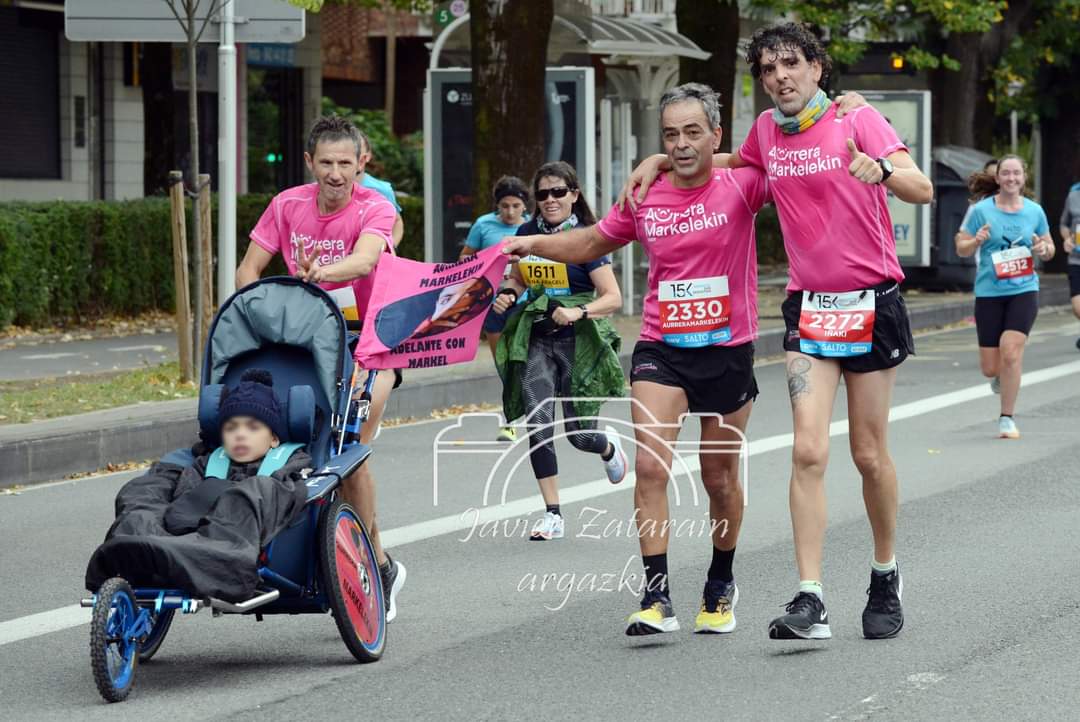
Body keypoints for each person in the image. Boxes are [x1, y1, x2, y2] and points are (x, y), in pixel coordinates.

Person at [622, 22, 933, 641]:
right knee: (808, 450)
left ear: (817, 68)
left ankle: (884, 572)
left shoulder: (856, 119)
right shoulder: (767, 132)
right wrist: (659, 157)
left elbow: (920, 188)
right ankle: (810, 598)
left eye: (790, 63)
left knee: (868, 454)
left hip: (872, 301)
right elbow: (718, 158)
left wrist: (881, 173)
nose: (779, 77)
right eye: (767, 69)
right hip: (809, 309)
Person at [504, 84, 769, 636]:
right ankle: (656, 597)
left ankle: (720, 582)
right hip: (661, 347)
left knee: (719, 477)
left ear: (716, 135)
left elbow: (785, 154)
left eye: (693, 132)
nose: (680, 144)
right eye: (669, 135)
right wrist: (531, 247)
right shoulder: (646, 194)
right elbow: (591, 242)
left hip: (726, 350)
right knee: (649, 467)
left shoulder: (743, 184)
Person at [236, 114, 407, 622]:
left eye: (345, 164)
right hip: (302, 338)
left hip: (367, 342)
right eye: (326, 163)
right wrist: (253, 311)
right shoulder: (286, 205)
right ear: (310, 162)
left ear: (362, 164)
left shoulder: (375, 207)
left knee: (350, 444)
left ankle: (376, 564)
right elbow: (250, 267)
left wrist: (320, 274)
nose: (336, 174)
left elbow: (365, 260)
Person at [85, 369, 313, 602]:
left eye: (252, 428)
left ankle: (188, 557)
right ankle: (135, 546)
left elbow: (288, 492)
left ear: (274, 439)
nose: (240, 435)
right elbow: (185, 499)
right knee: (143, 491)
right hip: (187, 526)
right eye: (231, 428)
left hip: (235, 533)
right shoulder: (207, 462)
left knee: (254, 490)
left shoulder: (288, 463)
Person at [491, 161, 627, 542]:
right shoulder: (527, 233)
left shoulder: (587, 238)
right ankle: (553, 513)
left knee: (578, 435)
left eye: (559, 192)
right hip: (538, 337)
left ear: (574, 195)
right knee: (538, 425)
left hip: (580, 339)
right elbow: (517, 278)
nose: (550, 200)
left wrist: (577, 312)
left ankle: (606, 445)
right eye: (543, 194)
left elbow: (613, 297)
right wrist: (507, 294)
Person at [956, 155, 1055, 438]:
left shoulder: (1035, 211)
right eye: (1006, 174)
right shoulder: (981, 211)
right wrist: (975, 241)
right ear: (998, 178)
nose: (1011, 178)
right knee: (990, 368)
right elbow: (961, 247)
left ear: (1024, 179)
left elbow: (1049, 246)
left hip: (1024, 289)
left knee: (1011, 350)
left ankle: (1006, 418)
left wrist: (1043, 250)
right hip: (989, 291)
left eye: (1017, 173)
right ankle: (1001, 376)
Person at [461, 176, 532, 442]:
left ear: (524, 205)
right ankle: (513, 414)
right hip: (492, 302)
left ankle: (520, 417)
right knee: (503, 363)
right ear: (497, 206)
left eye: (515, 205)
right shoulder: (483, 225)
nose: (510, 212)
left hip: (524, 301)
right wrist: (485, 267)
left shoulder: (532, 226)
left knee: (520, 359)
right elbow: (465, 257)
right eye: (504, 206)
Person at [356, 128, 405, 247]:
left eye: (358, 150)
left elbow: (397, 221)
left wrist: (389, 248)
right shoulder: (328, 186)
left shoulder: (382, 189)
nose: (354, 154)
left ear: (367, 156)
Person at [1060, 174, 1080, 349]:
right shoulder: (1073, 195)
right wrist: (1067, 239)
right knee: (1077, 307)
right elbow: (1064, 224)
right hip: (1076, 258)